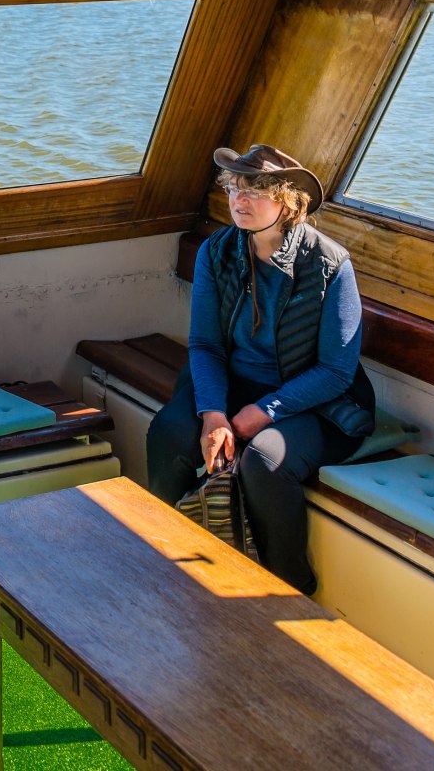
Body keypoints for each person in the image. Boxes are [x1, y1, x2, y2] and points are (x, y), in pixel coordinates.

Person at [146, 143, 375, 594]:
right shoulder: (218, 252)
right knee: (170, 432)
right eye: (234, 188)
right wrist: (213, 413)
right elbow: (206, 344)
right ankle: (171, 560)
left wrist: (263, 411)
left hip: (313, 398)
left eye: (255, 190)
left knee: (265, 462)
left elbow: (335, 371)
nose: (239, 200)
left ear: (288, 201)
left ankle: (289, 589)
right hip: (232, 383)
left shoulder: (328, 264)